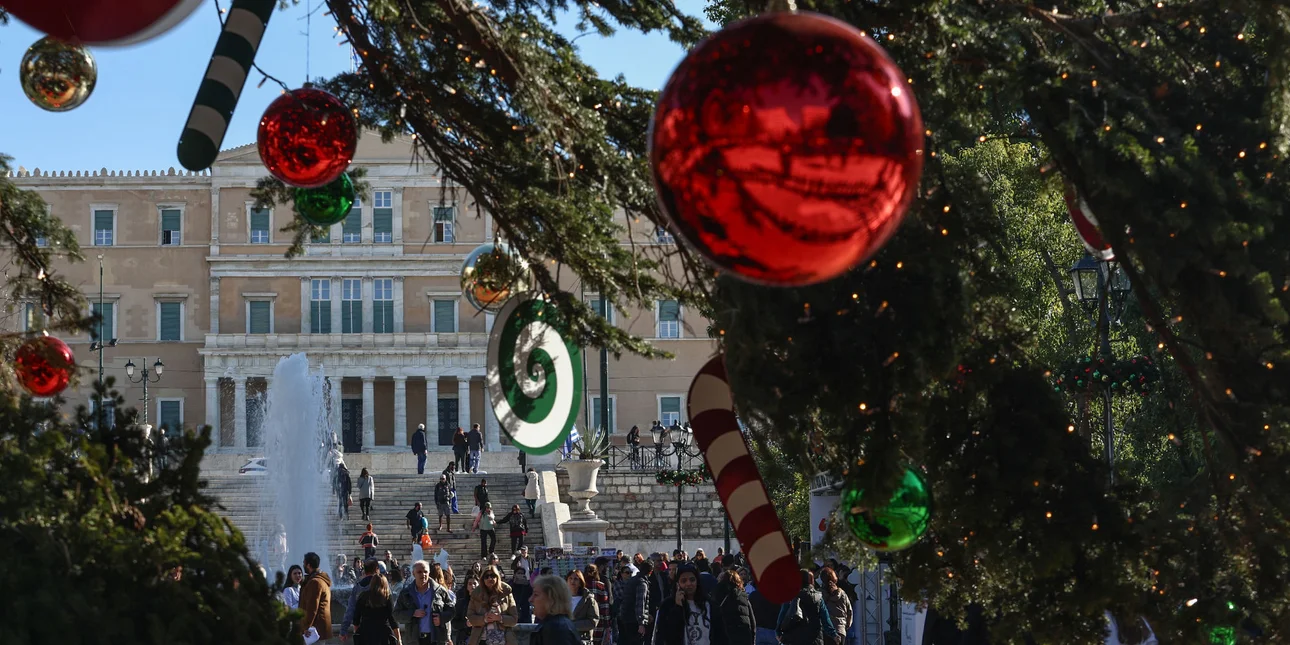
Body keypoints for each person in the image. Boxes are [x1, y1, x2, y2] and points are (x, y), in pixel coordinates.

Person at [652, 564, 719, 645]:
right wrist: (678, 608)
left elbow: (720, 634)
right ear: (677, 584)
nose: (689, 584)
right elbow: (665, 635)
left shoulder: (709, 604)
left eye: (692, 580)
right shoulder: (668, 605)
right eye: (684, 581)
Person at [396, 560, 458, 645]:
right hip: (414, 640)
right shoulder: (406, 593)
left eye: (425, 572)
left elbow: (452, 611)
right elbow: (396, 614)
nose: (423, 574)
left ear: (429, 573)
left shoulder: (440, 591)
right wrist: (412, 613)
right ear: (413, 574)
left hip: (436, 639)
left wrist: (441, 618)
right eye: (419, 572)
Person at [776, 570, 835, 645]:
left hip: (792, 638)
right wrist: (833, 634)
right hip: (814, 638)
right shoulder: (818, 597)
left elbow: (782, 614)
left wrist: (778, 632)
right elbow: (825, 618)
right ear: (810, 581)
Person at [467, 565, 519, 645]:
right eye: (486, 576)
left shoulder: (506, 592)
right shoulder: (476, 594)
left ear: (497, 577)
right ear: (482, 579)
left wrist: (500, 618)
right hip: (481, 639)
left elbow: (514, 619)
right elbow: (471, 617)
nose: (489, 579)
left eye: (492, 576)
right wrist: (484, 619)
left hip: (503, 639)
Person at [354, 570, 403, 645]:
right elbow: (392, 619)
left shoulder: (363, 596)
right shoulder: (387, 597)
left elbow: (356, 618)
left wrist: (357, 634)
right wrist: (399, 639)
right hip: (383, 634)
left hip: (365, 633)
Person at [531, 574, 581, 645]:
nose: (530, 599)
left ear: (551, 599)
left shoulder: (556, 629)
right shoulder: (558, 624)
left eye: (536, 594)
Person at [342, 559, 384, 641]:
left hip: (362, 627)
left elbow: (350, 609)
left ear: (364, 570)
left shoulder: (357, 587)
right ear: (377, 569)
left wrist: (344, 629)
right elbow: (390, 610)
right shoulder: (383, 586)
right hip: (381, 628)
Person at [713, 566, 755, 645]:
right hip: (744, 635)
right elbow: (752, 620)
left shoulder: (718, 596)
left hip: (726, 635)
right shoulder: (743, 596)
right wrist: (753, 638)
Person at [299, 552, 335, 641]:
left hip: (315, 631)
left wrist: (306, 627)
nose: (303, 565)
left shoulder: (315, 582)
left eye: (304, 563)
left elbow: (312, 608)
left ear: (308, 565)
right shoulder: (321, 580)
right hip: (319, 629)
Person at [619, 558, 652, 645]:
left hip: (626, 618)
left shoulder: (632, 580)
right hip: (634, 621)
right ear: (650, 572)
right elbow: (640, 604)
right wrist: (641, 623)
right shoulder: (642, 583)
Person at [818, 568, 851, 645]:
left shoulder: (819, 594)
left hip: (825, 630)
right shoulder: (842, 594)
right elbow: (849, 611)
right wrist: (845, 626)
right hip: (840, 630)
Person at [567, 570, 601, 645]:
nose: (572, 581)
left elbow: (593, 621)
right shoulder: (560, 599)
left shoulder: (588, 599)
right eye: (570, 578)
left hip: (582, 640)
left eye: (576, 579)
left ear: (580, 582)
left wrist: (572, 625)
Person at [584, 563, 610, 645]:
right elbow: (604, 606)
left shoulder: (581, 586)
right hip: (598, 620)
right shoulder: (600, 585)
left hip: (583, 620)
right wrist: (607, 623)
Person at [453, 576, 481, 642]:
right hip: (464, 638)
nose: (472, 586)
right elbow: (454, 623)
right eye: (470, 584)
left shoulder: (484, 602)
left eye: (475, 583)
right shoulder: (461, 603)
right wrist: (465, 623)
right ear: (467, 586)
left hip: (480, 637)